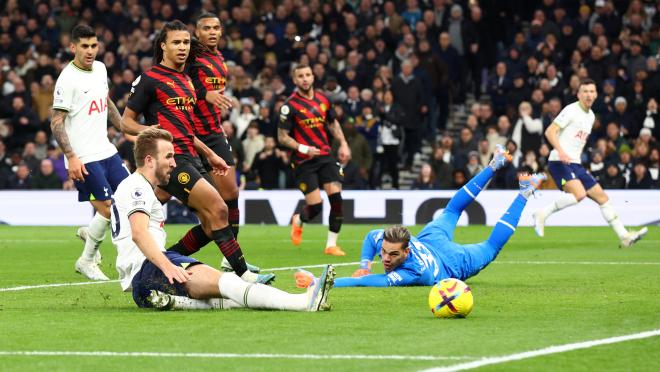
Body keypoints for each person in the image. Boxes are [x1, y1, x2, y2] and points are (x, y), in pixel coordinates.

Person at [111, 127, 334, 311]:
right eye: (169, 156)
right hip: (150, 269)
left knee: (222, 297)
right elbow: (139, 233)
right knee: (228, 283)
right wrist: (166, 265)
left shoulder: (140, 188)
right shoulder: (137, 188)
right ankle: (303, 302)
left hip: (146, 276)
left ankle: (169, 300)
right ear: (149, 160)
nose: (173, 163)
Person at [121, 20, 273, 284]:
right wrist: (151, 131)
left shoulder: (186, 80)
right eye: (176, 42)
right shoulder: (150, 79)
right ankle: (244, 275)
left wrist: (209, 153)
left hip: (191, 155)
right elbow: (126, 122)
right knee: (219, 208)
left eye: (186, 43)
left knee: (210, 224)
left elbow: (187, 129)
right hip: (172, 160)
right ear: (163, 46)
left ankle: (166, 260)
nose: (182, 47)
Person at [295, 145, 544, 287]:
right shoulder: (392, 243)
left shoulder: (411, 273)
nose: (386, 258)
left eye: (393, 255)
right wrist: (364, 264)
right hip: (428, 240)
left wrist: (318, 281)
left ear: (406, 252)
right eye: (385, 252)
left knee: (490, 247)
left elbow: (367, 283)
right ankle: (493, 166)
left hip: (452, 264)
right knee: (452, 210)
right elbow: (372, 237)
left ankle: (524, 192)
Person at [164, 13, 259, 274]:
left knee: (230, 195)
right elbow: (181, 81)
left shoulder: (219, 59)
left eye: (216, 27)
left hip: (214, 132)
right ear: (197, 32)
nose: (212, 32)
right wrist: (206, 94)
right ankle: (116, 227)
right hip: (190, 132)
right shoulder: (191, 55)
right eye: (206, 28)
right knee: (159, 195)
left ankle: (231, 258)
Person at [51, 24, 129, 281]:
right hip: (83, 156)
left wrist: (123, 127)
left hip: (106, 150)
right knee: (107, 208)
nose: (90, 51)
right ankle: (85, 261)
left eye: (94, 45)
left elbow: (105, 101)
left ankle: (90, 232)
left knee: (129, 199)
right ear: (73, 47)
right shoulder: (67, 79)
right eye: (84, 46)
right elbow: (56, 122)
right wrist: (71, 157)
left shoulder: (101, 69)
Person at [532, 79, 648, 247]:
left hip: (575, 165)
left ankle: (624, 236)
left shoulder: (591, 116)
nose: (588, 94)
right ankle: (541, 214)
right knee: (579, 194)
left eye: (591, 91)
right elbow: (550, 132)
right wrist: (562, 151)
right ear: (578, 94)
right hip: (559, 162)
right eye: (585, 91)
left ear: (596, 95)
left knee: (603, 198)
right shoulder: (571, 110)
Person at [278, 64, 351, 256]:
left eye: (308, 75)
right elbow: (282, 136)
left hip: (325, 156)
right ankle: (299, 220)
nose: (304, 79)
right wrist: (303, 148)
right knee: (316, 206)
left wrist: (343, 143)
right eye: (300, 76)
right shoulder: (289, 106)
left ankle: (331, 245)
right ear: (295, 80)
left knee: (336, 199)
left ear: (313, 77)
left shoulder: (324, 99)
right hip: (303, 161)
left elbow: (333, 123)